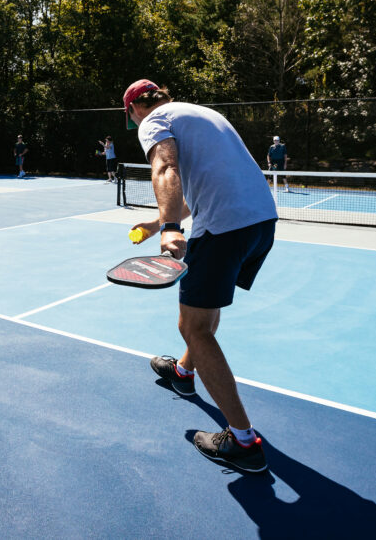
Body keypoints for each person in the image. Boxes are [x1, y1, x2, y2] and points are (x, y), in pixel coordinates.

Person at [124, 78, 278, 474]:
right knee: (203, 316)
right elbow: (208, 187)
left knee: (193, 327)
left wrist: (173, 226)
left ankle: (243, 442)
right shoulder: (201, 113)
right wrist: (160, 222)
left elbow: (165, 166)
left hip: (224, 228)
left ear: (133, 109)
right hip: (260, 223)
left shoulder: (152, 121)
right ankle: (182, 373)